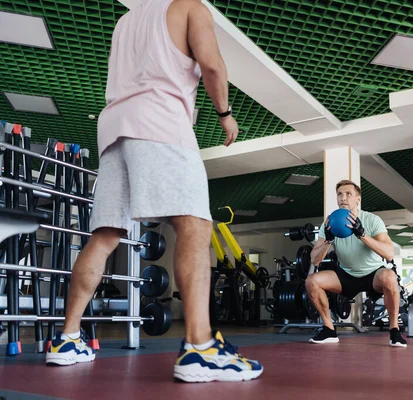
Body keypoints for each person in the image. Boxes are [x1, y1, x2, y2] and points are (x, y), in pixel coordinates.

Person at [45, 0, 264, 382]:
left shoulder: (126, 20)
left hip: (114, 130)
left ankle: (66, 339)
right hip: (160, 121)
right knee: (195, 225)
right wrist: (225, 113)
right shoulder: (189, 7)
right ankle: (200, 347)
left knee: (105, 235)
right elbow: (211, 64)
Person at [306, 179, 407, 347]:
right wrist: (328, 241)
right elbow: (314, 259)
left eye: (348, 194)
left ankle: (394, 331)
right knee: (312, 281)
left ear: (357, 199)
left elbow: (389, 254)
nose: (343, 198)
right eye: (339, 194)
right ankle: (329, 330)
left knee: (390, 277)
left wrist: (362, 235)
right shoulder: (329, 223)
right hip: (345, 274)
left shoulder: (372, 220)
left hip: (373, 273)